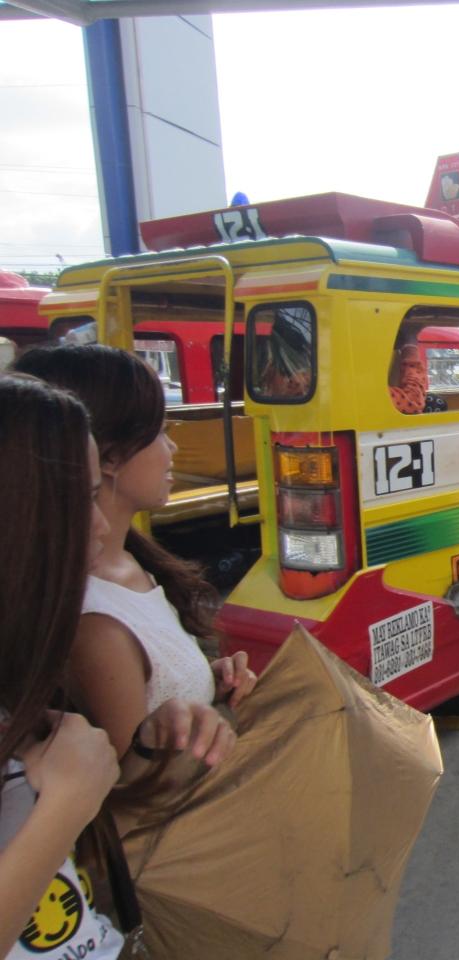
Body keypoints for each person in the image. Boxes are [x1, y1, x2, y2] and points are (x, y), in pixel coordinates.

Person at [0, 374, 235, 959]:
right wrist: (67, 803)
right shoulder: (92, 625)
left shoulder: (22, 687)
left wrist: (152, 744)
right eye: (82, 498)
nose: (101, 524)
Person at [13, 345, 257, 760]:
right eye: (160, 431)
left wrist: (208, 684)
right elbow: (141, 782)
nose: (171, 448)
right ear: (108, 456)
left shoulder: (130, 564)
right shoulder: (95, 623)